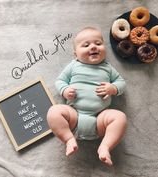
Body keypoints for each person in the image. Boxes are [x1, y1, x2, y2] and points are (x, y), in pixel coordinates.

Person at [47, 27, 127, 166]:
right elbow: (59, 81)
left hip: (99, 119)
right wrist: (65, 90)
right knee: (54, 112)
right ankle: (69, 139)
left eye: (98, 43)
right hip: (74, 116)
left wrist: (113, 88)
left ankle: (105, 146)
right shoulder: (73, 66)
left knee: (120, 117)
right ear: (75, 54)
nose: (93, 47)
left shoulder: (107, 68)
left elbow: (121, 83)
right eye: (86, 45)